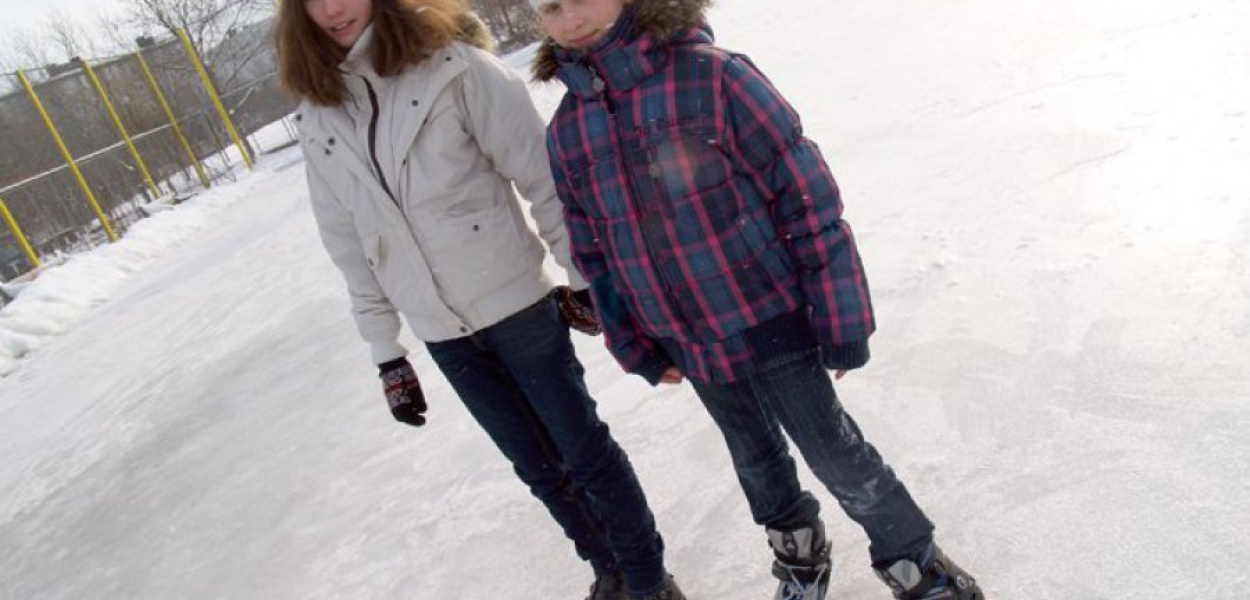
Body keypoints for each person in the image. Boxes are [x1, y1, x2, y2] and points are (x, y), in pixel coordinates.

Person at [531, 0, 984, 599]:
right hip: (686, 339)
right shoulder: (569, 127)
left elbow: (807, 195)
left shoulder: (712, 76)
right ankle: (799, 557)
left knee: (836, 452)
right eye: (551, 7)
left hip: (770, 318)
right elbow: (592, 247)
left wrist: (839, 313)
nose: (568, 19)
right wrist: (631, 337)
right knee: (753, 458)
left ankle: (918, 566)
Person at [274, 1, 685, 599]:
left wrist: (580, 276)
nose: (333, 9)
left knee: (582, 452)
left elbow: (543, 178)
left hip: (517, 304)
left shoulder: (453, 68)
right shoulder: (318, 115)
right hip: (441, 331)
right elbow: (348, 240)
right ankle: (609, 573)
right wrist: (387, 353)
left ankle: (649, 581)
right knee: (538, 469)